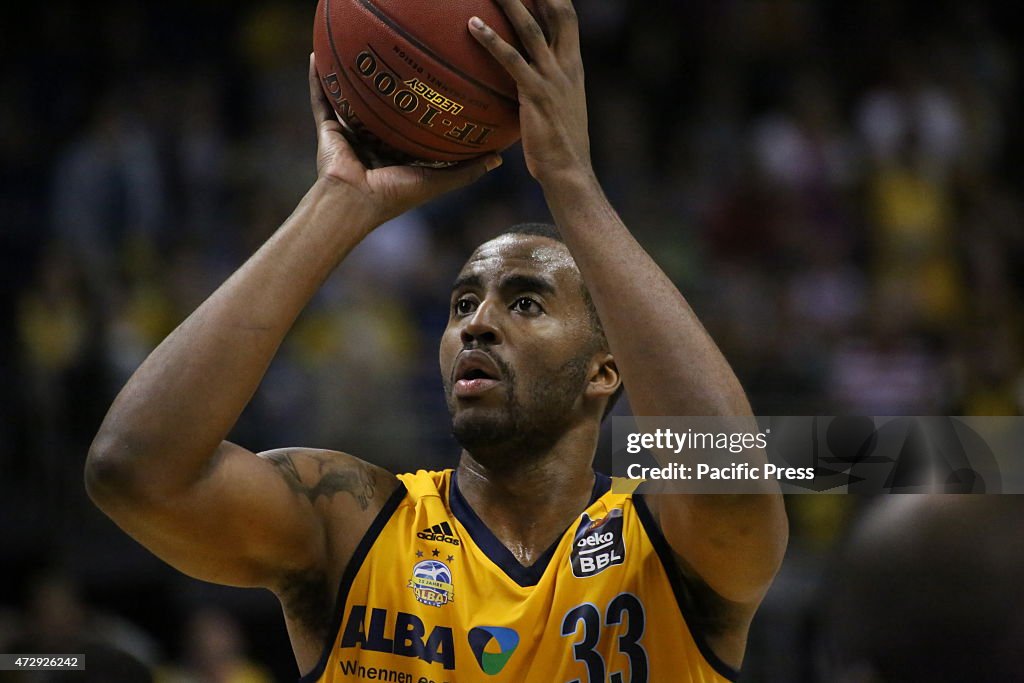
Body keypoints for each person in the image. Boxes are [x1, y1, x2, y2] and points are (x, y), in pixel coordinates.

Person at [85, 1, 788, 680]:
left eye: (524, 302)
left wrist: (572, 183)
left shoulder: (665, 543)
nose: (478, 322)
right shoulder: (355, 525)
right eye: (461, 303)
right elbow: (135, 470)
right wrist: (338, 200)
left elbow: (729, 479)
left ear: (605, 370)